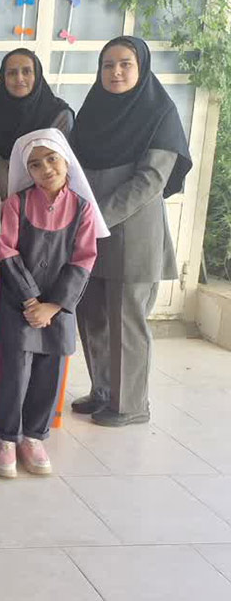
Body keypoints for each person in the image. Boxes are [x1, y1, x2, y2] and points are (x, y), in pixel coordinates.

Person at [71, 36, 192, 427]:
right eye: (108, 65)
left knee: (126, 320)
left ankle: (130, 404)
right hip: (91, 232)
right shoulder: (92, 110)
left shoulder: (159, 113)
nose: (116, 72)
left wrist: (96, 215)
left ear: (141, 68)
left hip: (133, 233)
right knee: (91, 316)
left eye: (125, 64)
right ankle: (103, 391)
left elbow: (150, 180)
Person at [0, 129, 107, 477]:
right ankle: (5, 436)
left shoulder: (83, 208)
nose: (45, 169)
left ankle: (34, 436)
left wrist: (54, 305)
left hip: (59, 308)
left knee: (49, 373)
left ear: (66, 161)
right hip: (20, 304)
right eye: (35, 164)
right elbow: (6, 250)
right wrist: (31, 299)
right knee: (15, 373)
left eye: (51, 159)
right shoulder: (17, 204)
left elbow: (83, 259)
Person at [0, 49, 75, 199]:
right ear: (3, 78)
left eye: (26, 71)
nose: (19, 78)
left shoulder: (59, 116)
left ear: (37, 75)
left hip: (43, 203)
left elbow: (62, 169)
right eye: (12, 73)